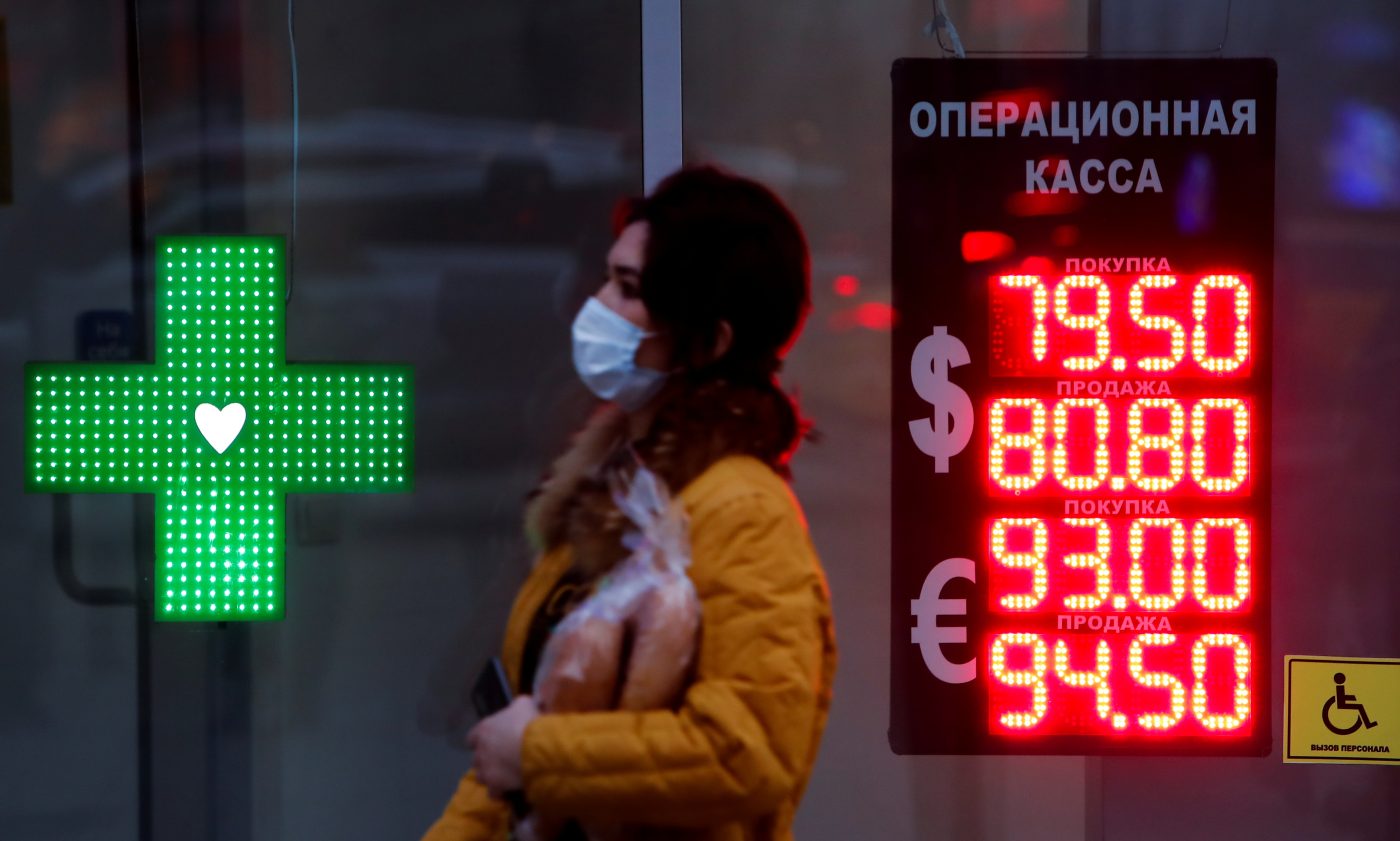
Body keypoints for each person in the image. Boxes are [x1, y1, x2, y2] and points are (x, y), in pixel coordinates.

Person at [422, 165, 838, 841]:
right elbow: (513, 750)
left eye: (629, 290)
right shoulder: (612, 492)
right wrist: (521, 755)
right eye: (607, 277)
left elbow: (749, 751)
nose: (597, 306)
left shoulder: (743, 512)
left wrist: (536, 755)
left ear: (710, 342)